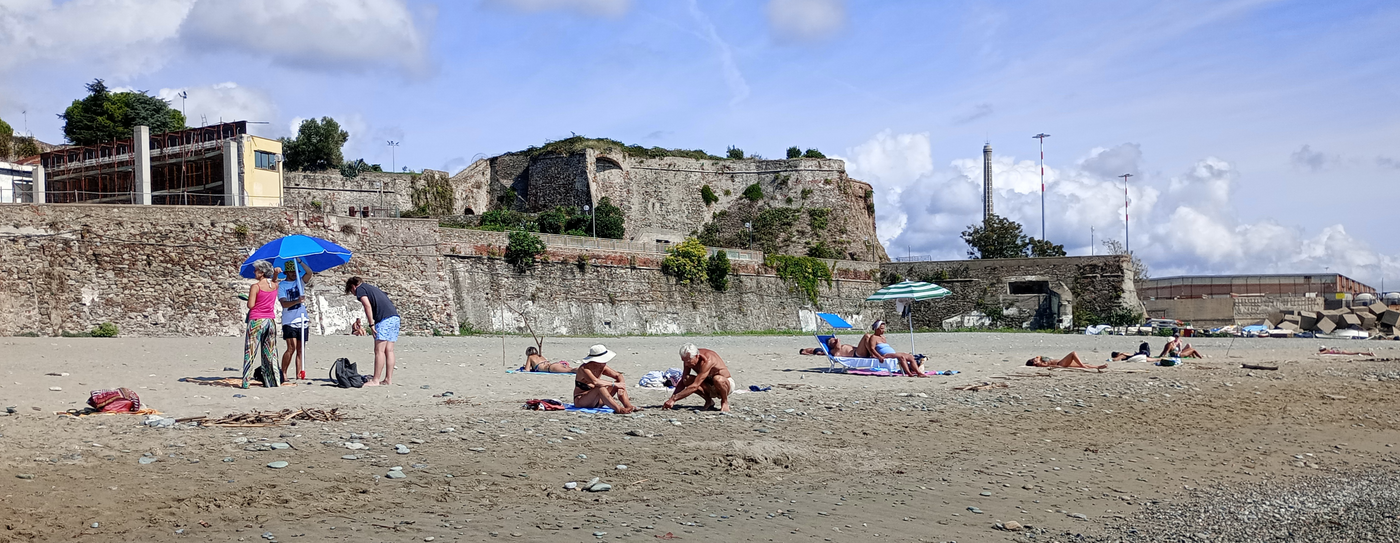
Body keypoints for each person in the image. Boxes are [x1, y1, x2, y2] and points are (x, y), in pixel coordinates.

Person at [345, 277, 399, 386]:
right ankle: (388, 379)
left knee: (379, 351)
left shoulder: (360, 289)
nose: (354, 294)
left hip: (384, 319)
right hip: (394, 317)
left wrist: (371, 324)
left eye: (351, 291)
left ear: (353, 286)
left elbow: (367, 305)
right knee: (389, 350)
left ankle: (376, 380)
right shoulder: (372, 288)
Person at [242, 260, 283, 389]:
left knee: (250, 351)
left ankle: (246, 381)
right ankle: (272, 381)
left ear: (262, 272)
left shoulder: (256, 286)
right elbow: (274, 282)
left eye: (256, 270)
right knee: (270, 353)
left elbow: (251, 305)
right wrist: (275, 274)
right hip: (270, 321)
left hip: (256, 320)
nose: (254, 272)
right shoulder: (275, 286)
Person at [664, 344, 735, 412]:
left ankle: (724, 401)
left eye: (688, 361)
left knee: (718, 379)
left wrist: (674, 399)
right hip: (708, 384)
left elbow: (695, 386)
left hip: (725, 384)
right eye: (684, 361)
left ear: (697, 356)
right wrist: (671, 399)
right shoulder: (688, 358)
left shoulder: (707, 360)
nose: (686, 364)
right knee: (687, 379)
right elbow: (683, 381)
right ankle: (709, 401)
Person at [572, 344, 639, 413]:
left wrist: (621, 386)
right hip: (582, 400)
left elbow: (618, 375)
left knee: (618, 384)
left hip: (598, 400)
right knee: (600, 387)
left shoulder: (602, 367)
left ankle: (628, 406)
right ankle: (618, 409)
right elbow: (596, 382)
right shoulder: (584, 369)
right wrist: (614, 384)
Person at [856, 320, 927, 377]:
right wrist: (879, 356)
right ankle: (909, 373)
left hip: (892, 353)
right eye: (881, 329)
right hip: (885, 354)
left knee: (910, 357)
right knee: (901, 357)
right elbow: (872, 349)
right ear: (877, 329)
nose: (883, 330)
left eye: (883, 328)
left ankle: (918, 373)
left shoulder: (883, 337)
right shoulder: (873, 337)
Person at [278, 261, 310, 381]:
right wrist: (297, 300)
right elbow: (284, 304)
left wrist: (300, 262)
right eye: (291, 271)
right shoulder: (282, 286)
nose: (293, 274)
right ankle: (284, 373)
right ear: (286, 272)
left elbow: (309, 273)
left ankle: (299, 374)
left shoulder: (300, 282)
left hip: (302, 320)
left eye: (294, 271)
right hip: (289, 321)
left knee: (301, 350)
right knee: (291, 348)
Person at [1026, 352, 1108, 370]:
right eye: (1034, 359)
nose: (1036, 358)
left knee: (1081, 364)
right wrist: (1037, 362)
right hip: (1060, 363)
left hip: (1061, 363)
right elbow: (1047, 365)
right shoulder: (1039, 363)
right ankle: (1084, 366)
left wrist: (1037, 359)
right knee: (1073, 354)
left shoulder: (1040, 359)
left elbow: (1039, 356)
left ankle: (1098, 367)